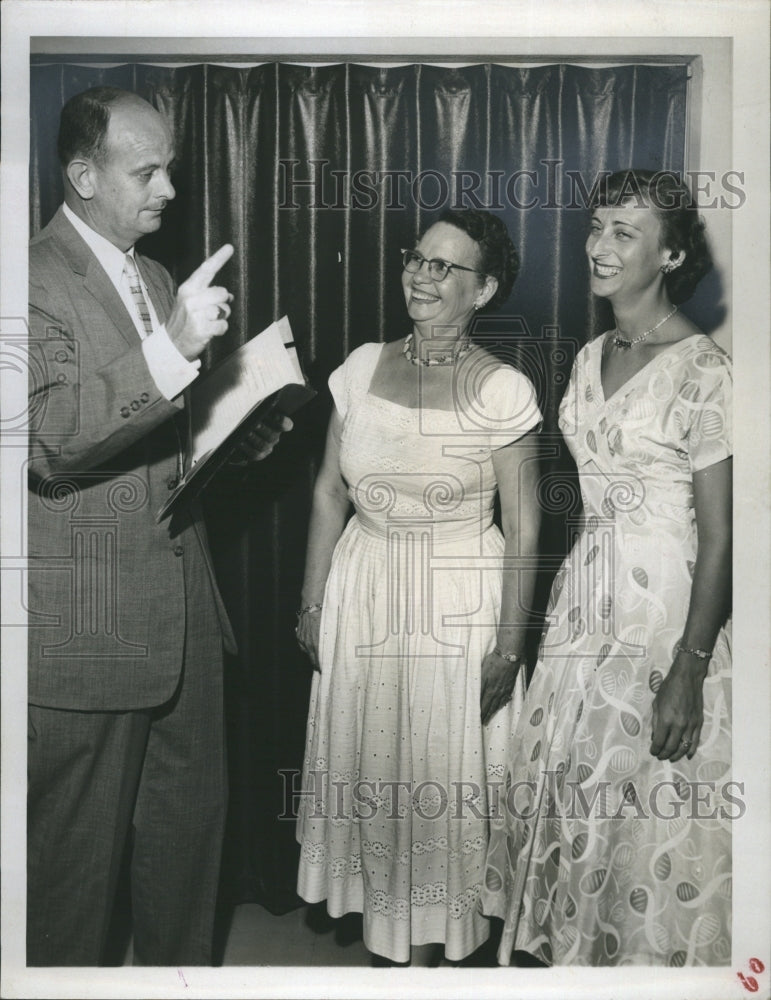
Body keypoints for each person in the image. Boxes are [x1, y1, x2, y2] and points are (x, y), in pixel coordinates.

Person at [26, 86, 289, 966]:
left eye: (170, 166)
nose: (170, 188)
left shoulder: (157, 277)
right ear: (82, 175)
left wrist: (230, 437)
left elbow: (156, 448)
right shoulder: (26, 278)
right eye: (148, 170)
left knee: (185, 863)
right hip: (90, 631)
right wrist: (172, 351)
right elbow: (52, 441)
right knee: (72, 885)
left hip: (182, 616)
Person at [481, 169, 732, 966]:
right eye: (596, 227)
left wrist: (688, 669)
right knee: (570, 805)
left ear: (670, 254)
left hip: (663, 622)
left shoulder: (705, 370)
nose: (598, 245)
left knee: (641, 822)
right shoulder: (590, 353)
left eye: (624, 232)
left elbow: (722, 539)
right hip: (584, 607)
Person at [294, 208, 542, 965]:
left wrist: (508, 644)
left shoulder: (502, 389)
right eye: (416, 259)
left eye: (445, 267)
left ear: (485, 289)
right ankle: (388, 955)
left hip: (456, 607)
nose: (421, 276)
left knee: (438, 792)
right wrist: (310, 602)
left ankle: (433, 963)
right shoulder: (360, 364)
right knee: (374, 780)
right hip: (362, 595)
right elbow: (328, 494)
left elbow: (527, 527)